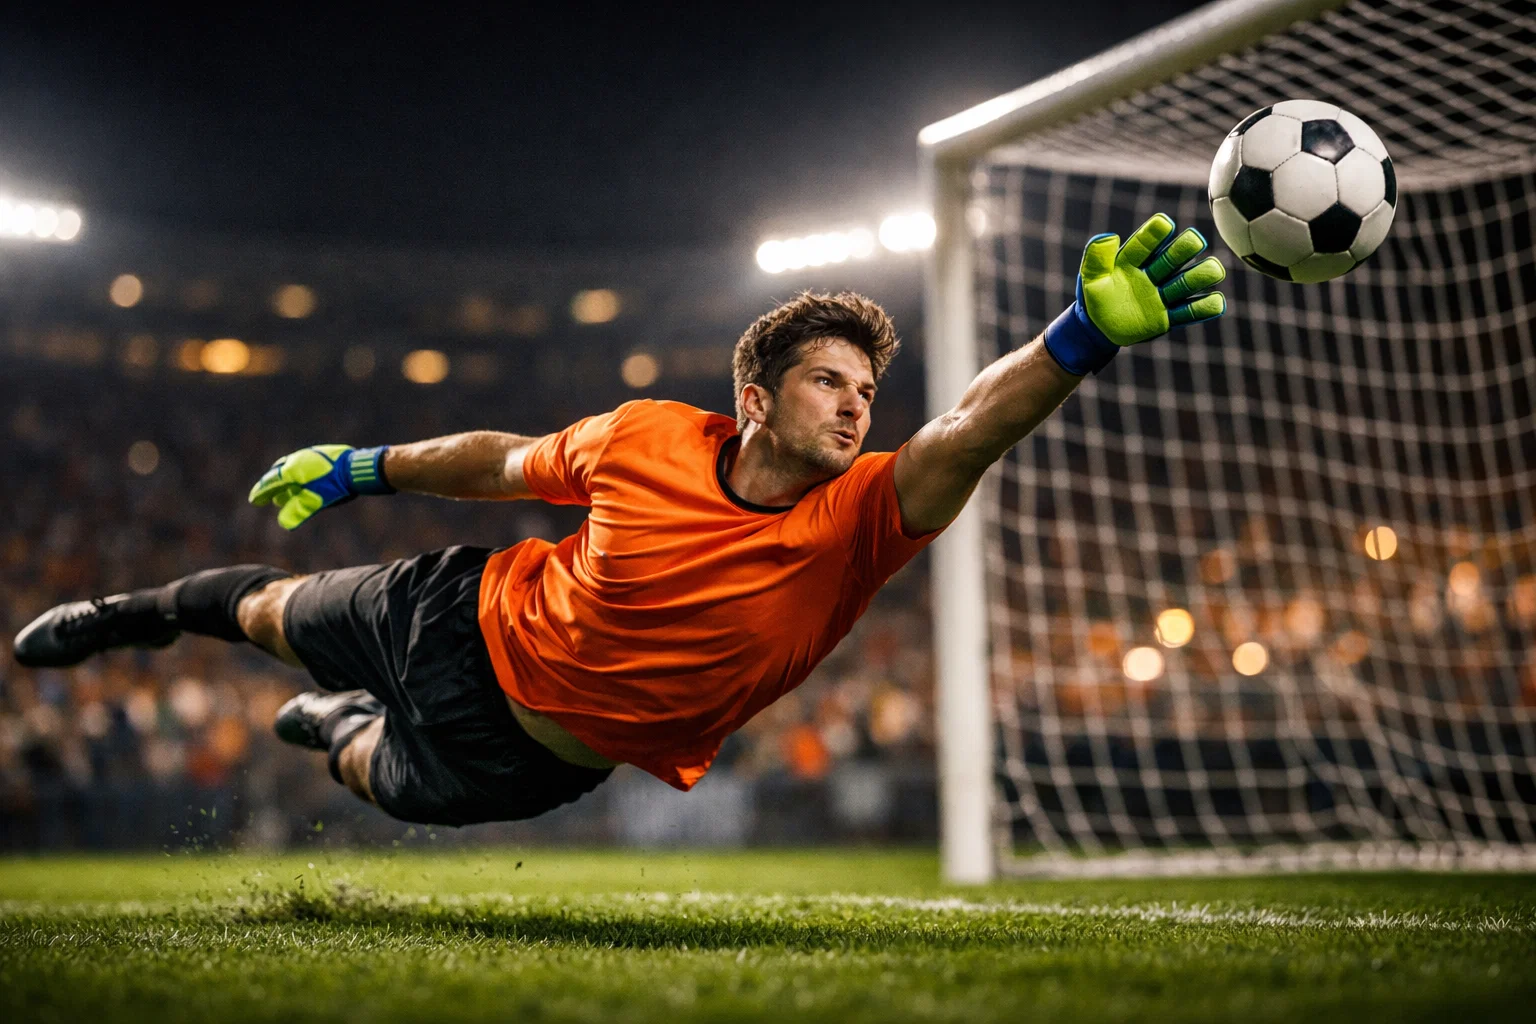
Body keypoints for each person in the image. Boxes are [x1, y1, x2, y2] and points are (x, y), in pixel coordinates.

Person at [13, 214, 1225, 827]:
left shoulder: (864, 518)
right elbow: (502, 462)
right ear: (757, 398)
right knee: (272, 612)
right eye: (828, 381)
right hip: (460, 617)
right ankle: (127, 613)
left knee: (372, 771)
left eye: (866, 390)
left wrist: (1080, 338)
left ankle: (337, 722)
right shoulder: (648, 436)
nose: (858, 406)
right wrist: (366, 465)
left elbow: (967, 430)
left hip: (536, 760)